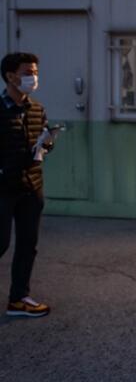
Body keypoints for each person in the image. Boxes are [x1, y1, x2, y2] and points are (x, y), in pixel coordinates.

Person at [0, 52, 54, 317]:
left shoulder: (37, 109)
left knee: (27, 244)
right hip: (3, 189)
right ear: (10, 76)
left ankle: (18, 299)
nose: (33, 78)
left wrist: (47, 143)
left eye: (35, 72)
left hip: (32, 186)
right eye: (27, 73)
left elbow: (43, 143)